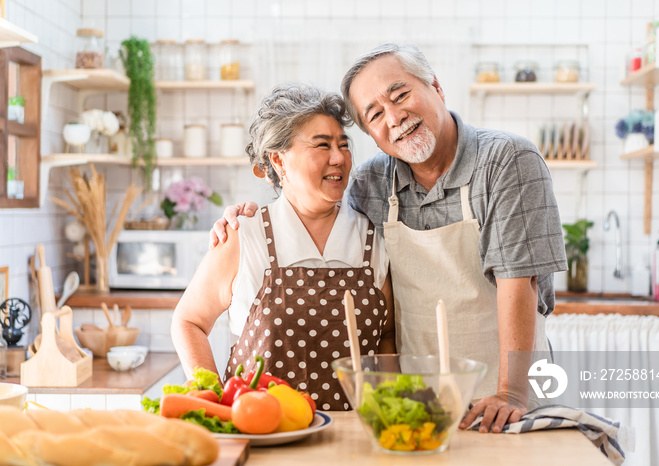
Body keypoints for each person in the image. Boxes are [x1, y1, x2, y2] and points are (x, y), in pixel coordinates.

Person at [210, 43, 567, 432]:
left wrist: (511, 394)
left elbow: (521, 281)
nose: (395, 117)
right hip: (418, 404)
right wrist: (246, 218)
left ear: (437, 87)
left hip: (504, 400)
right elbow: (311, 201)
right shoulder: (372, 184)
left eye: (400, 95)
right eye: (375, 114)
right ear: (371, 135)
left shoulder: (507, 160)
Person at [172, 83, 395, 411]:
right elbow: (188, 321)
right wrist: (215, 401)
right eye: (322, 145)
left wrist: (390, 409)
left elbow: (386, 336)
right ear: (278, 160)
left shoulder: (370, 238)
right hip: (264, 434)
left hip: (355, 436)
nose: (339, 158)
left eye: (343, 145)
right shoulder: (244, 235)